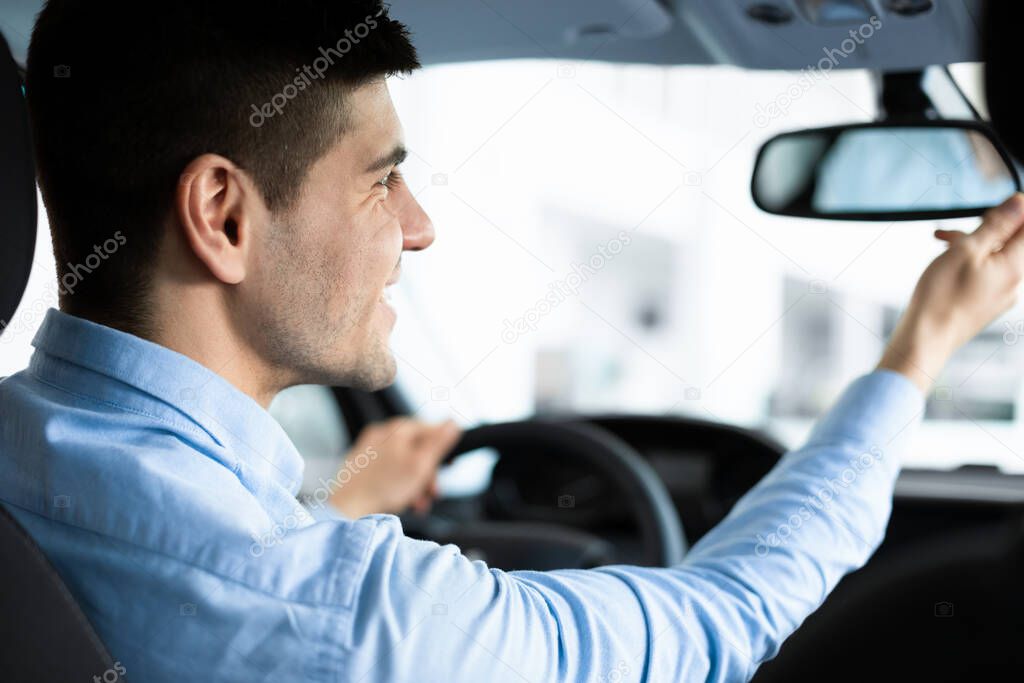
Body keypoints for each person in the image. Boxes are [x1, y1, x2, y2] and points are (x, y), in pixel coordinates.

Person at [1, 1, 1021, 681]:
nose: (416, 225)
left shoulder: (28, 461)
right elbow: (726, 613)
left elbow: (207, 563)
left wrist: (347, 495)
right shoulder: (364, 620)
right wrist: (917, 349)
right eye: (376, 179)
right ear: (223, 215)